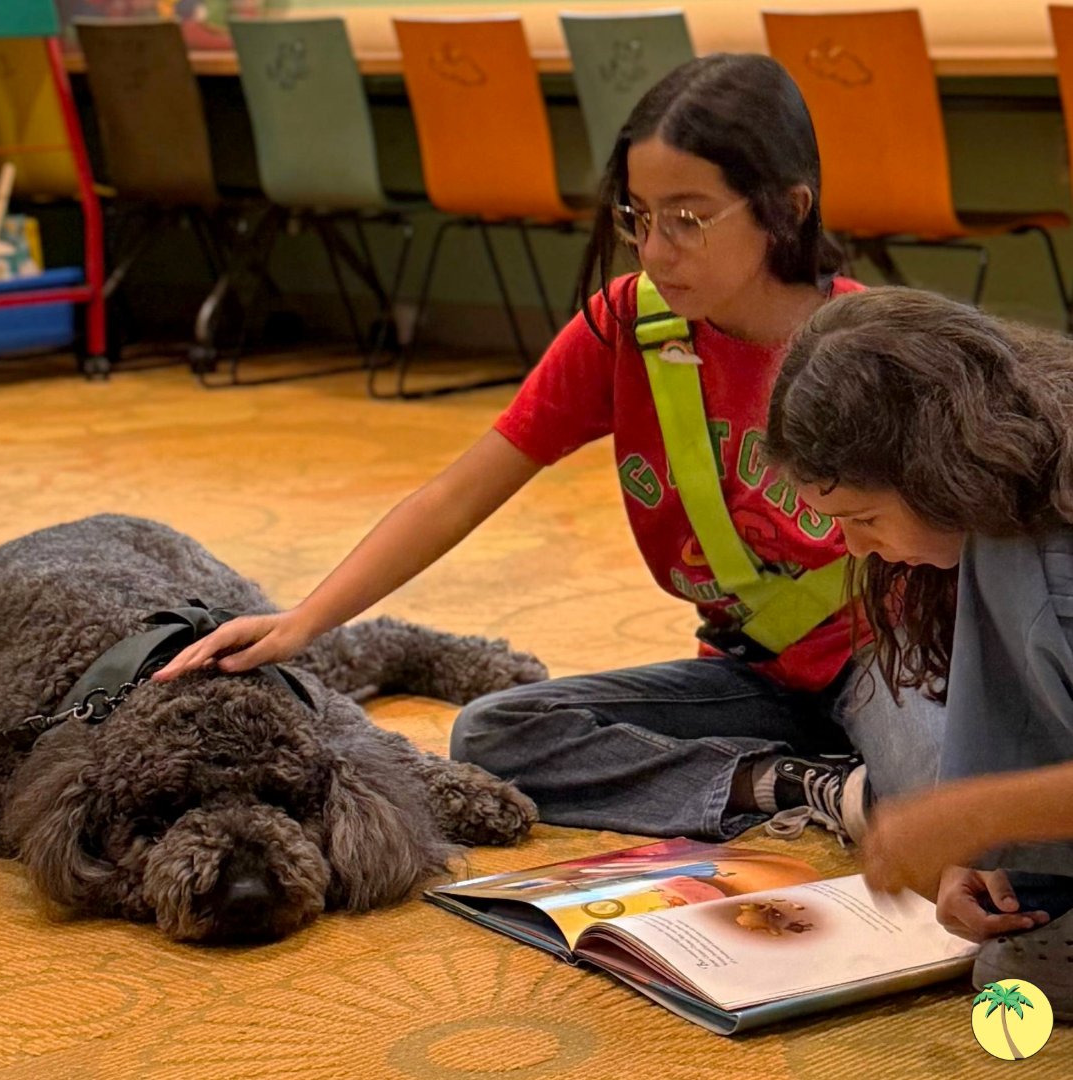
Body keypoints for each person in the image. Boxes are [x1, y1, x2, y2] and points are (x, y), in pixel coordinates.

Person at [155, 54, 943, 845]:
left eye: (689, 219)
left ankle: (862, 775)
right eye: (639, 216)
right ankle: (791, 784)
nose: (655, 251)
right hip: (748, 676)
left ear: (786, 207)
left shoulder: (867, 347)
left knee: (949, 793)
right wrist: (306, 621)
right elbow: (458, 493)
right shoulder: (629, 328)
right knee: (496, 734)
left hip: (891, 665)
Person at [764, 285, 1073, 1015]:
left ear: (941, 468)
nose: (856, 547)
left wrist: (978, 814)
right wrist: (982, 840)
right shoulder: (1007, 507)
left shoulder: (1050, 557)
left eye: (864, 518)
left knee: (1026, 981)